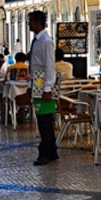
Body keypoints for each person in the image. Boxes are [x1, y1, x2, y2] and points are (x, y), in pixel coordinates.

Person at [28, 10, 59, 166]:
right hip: (37, 82)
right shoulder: (37, 40)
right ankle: (52, 150)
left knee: (44, 120)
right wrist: (30, 85)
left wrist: (48, 88)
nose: (28, 23)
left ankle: (45, 151)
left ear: (37, 22)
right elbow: (35, 65)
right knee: (42, 118)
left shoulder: (46, 41)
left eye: (30, 20)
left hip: (43, 84)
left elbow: (49, 66)